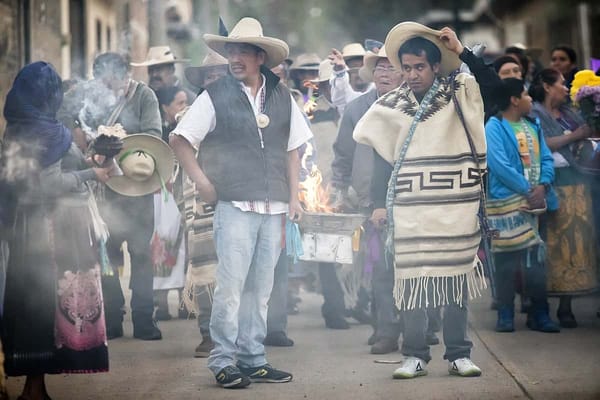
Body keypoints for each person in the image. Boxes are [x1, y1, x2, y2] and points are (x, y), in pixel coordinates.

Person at [170, 17, 312, 389]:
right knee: (231, 287)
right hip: (234, 203)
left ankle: (252, 358)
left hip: (275, 205)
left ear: (260, 56)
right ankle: (222, 360)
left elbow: (295, 149)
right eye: (230, 51)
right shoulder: (214, 96)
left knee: (261, 288)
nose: (234, 58)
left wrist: (295, 197)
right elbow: (181, 139)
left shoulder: (282, 95)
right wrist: (201, 181)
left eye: (242, 51)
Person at [355, 23, 488, 379]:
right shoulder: (391, 105)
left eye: (419, 67)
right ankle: (415, 355)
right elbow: (385, 160)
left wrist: (461, 52)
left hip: (454, 205)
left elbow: (498, 89)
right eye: (407, 67)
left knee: (455, 277)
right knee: (412, 281)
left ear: (434, 67)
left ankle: (459, 353)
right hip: (409, 207)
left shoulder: (459, 93)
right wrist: (379, 204)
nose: (412, 75)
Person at [0, 61, 111, 400]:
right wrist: (93, 175)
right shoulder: (50, 132)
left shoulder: (17, 128)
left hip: (23, 232)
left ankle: (35, 386)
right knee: (44, 308)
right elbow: (47, 186)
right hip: (49, 232)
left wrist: (87, 161)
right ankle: (35, 390)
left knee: (30, 307)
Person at [331, 47, 408, 352]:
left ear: (404, 73)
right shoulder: (356, 109)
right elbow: (342, 155)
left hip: (410, 198)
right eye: (379, 69)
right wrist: (338, 190)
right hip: (368, 202)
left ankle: (422, 327)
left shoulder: (414, 105)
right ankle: (386, 330)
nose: (384, 74)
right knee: (379, 269)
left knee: (414, 267)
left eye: (391, 68)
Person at [89, 53, 164, 341]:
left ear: (124, 76)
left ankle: (145, 317)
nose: (107, 87)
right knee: (108, 255)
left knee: (142, 254)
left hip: (138, 184)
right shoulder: (96, 99)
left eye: (111, 81)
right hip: (107, 187)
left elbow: (154, 134)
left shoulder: (145, 96)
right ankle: (113, 316)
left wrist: (120, 142)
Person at [485, 78, 561, 334]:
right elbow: (498, 165)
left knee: (536, 262)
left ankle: (539, 313)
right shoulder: (494, 126)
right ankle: (505, 313)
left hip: (537, 202)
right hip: (507, 204)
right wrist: (529, 190)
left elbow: (546, 158)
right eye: (526, 95)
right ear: (514, 100)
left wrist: (544, 185)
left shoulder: (533, 125)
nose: (531, 99)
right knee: (505, 261)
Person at [528, 68, 598, 328]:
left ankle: (567, 306)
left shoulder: (572, 113)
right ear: (547, 86)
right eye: (560, 83)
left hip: (575, 180)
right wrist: (575, 136)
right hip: (549, 181)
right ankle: (540, 304)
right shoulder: (535, 112)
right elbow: (541, 142)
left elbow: (586, 135)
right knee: (550, 244)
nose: (566, 88)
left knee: (574, 245)